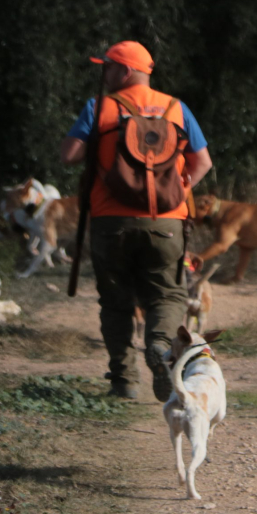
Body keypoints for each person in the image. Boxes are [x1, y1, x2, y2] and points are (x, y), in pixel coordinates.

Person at [60, 40, 213, 401]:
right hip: (166, 222)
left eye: (108, 67)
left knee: (115, 301)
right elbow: (203, 162)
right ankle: (160, 346)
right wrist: (177, 188)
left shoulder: (100, 107)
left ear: (125, 71)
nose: (105, 73)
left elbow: (68, 156)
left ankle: (124, 381)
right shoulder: (176, 108)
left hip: (110, 221)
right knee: (168, 295)